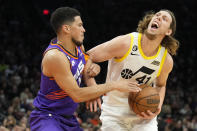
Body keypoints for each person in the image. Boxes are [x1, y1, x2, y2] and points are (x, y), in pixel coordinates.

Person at [29, 7, 141, 131]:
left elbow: (87, 64)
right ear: (66, 28)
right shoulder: (55, 57)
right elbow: (77, 94)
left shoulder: (78, 47)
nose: (84, 29)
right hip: (47, 118)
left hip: (68, 118)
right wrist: (114, 85)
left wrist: (93, 72)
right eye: (80, 25)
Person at [87, 9, 179, 131]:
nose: (158, 18)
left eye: (164, 18)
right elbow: (87, 56)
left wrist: (158, 106)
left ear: (168, 31)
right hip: (115, 113)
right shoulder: (126, 43)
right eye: (157, 15)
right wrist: (92, 88)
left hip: (144, 115)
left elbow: (161, 85)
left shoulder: (166, 60)